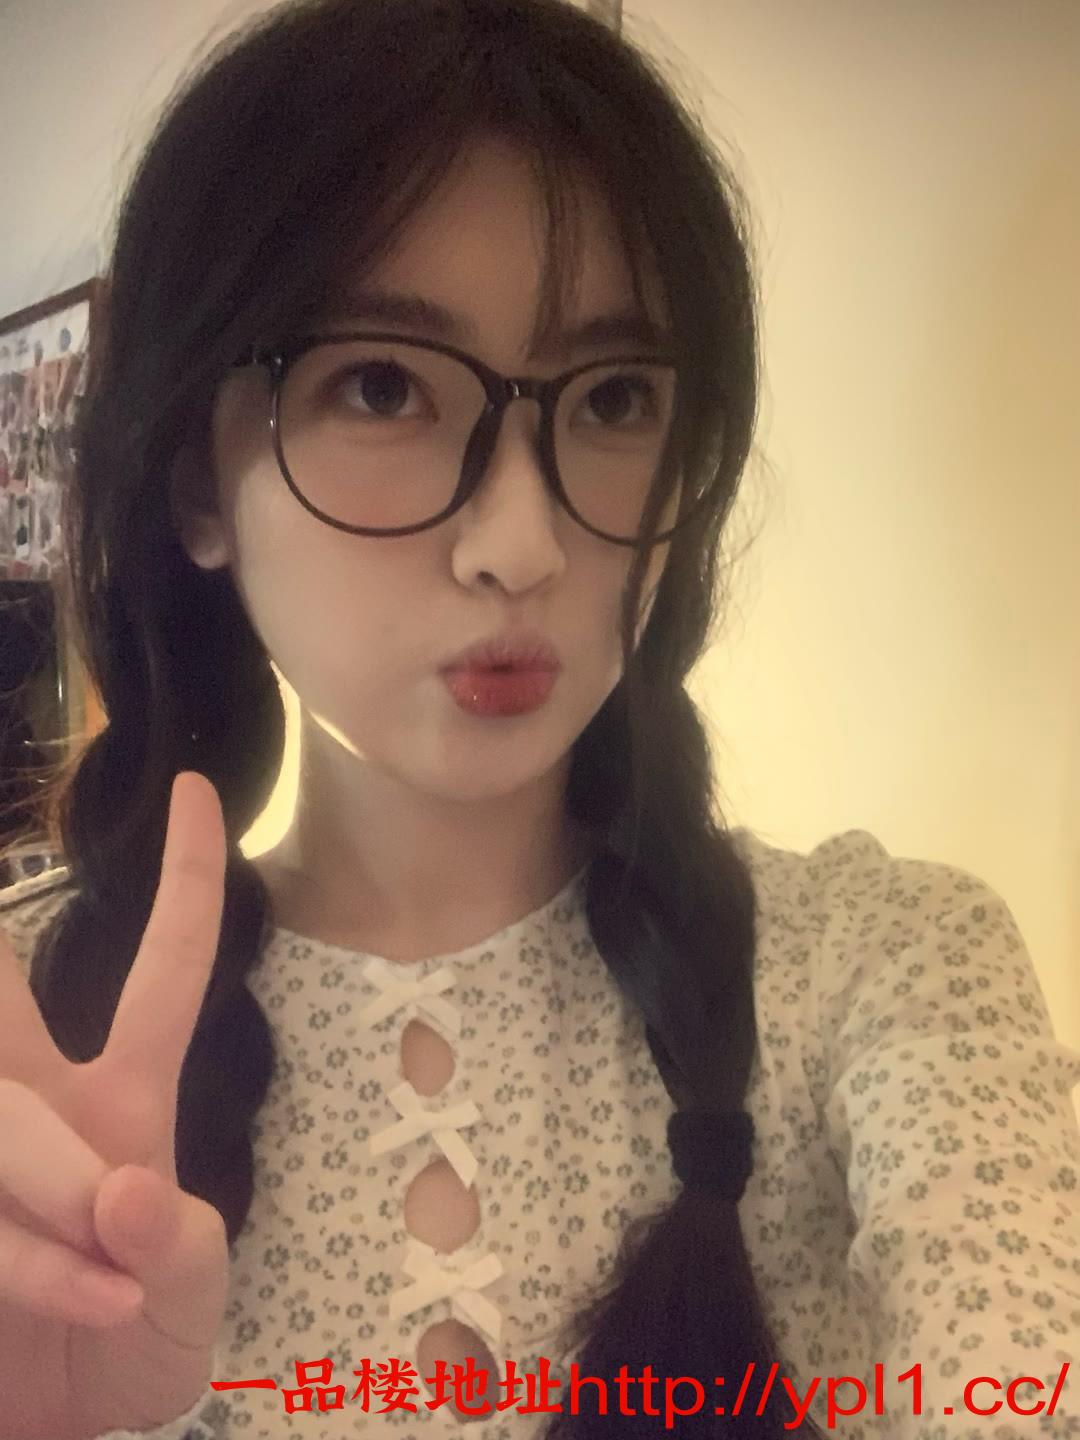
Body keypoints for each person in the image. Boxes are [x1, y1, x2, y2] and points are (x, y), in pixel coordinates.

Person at [0, 0, 1077, 1436]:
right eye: (382, 385)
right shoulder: (30, 1032)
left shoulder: (884, 970)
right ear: (197, 483)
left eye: (616, 397)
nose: (521, 544)